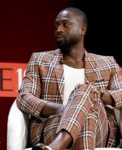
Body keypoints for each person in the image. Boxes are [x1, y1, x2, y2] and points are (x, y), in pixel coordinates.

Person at [16, 7, 122, 150]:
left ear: (82, 30)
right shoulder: (40, 60)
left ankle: (54, 147)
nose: (58, 29)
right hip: (53, 124)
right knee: (86, 118)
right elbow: (24, 97)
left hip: (100, 129)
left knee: (86, 91)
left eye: (65, 24)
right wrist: (64, 110)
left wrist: (95, 94)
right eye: (56, 25)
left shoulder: (107, 63)